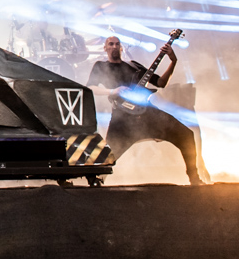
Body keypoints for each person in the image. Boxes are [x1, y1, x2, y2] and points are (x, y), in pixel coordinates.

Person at [87, 35, 203, 185]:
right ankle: (93, 184)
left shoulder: (134, 66)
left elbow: (161, 82)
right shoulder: (100, 66)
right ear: (105, 48)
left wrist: (173, 61)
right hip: (122, 118)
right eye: (111, 44)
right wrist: (112, 91)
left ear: (121, 47)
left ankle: (194, 178)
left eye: (117, 44)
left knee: (186, 135)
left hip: (147, 113)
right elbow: (90, 88)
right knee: (107, 156)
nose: (114, 47)